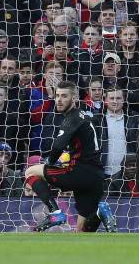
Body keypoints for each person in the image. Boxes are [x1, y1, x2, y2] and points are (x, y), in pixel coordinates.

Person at [24, 81, 116, 232]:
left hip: (78, 172)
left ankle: (55, 213)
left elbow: (58, 146)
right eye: (57, 96)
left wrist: (50, 163)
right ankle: (100, 212)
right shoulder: (84, 116)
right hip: (96, 178)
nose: (59, 100)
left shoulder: (72, 118)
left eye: (64, 96)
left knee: (30, 172)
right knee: (81, 231)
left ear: (74, 98)